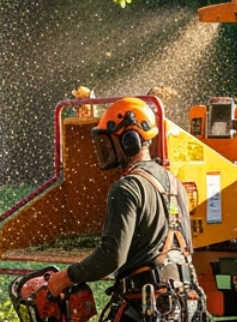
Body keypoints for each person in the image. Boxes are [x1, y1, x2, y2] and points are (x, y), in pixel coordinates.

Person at [46, 97, 206, 321]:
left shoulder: (125, 188)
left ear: (129, 141)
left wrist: (66, 277)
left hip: (146, 305)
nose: (106, 149)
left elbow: (112, 256)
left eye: (109, 141)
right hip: (184, 302)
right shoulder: (174, 184)